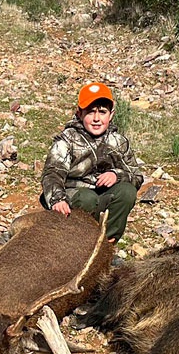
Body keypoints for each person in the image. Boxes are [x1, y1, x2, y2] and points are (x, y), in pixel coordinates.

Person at [41, 81, 143, 243]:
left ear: (111, 114)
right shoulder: (66, 140)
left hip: (99, 199)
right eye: (90, 112)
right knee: (87, 198)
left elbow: (136, 176)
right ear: (80, 114)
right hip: (72, 199)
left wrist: (116, 175)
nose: (96, 118)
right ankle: (81, 242)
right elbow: (52, 174)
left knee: (126, 191)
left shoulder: (119, 142)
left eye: (102, 112)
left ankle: (105, 243)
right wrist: (57, 199)